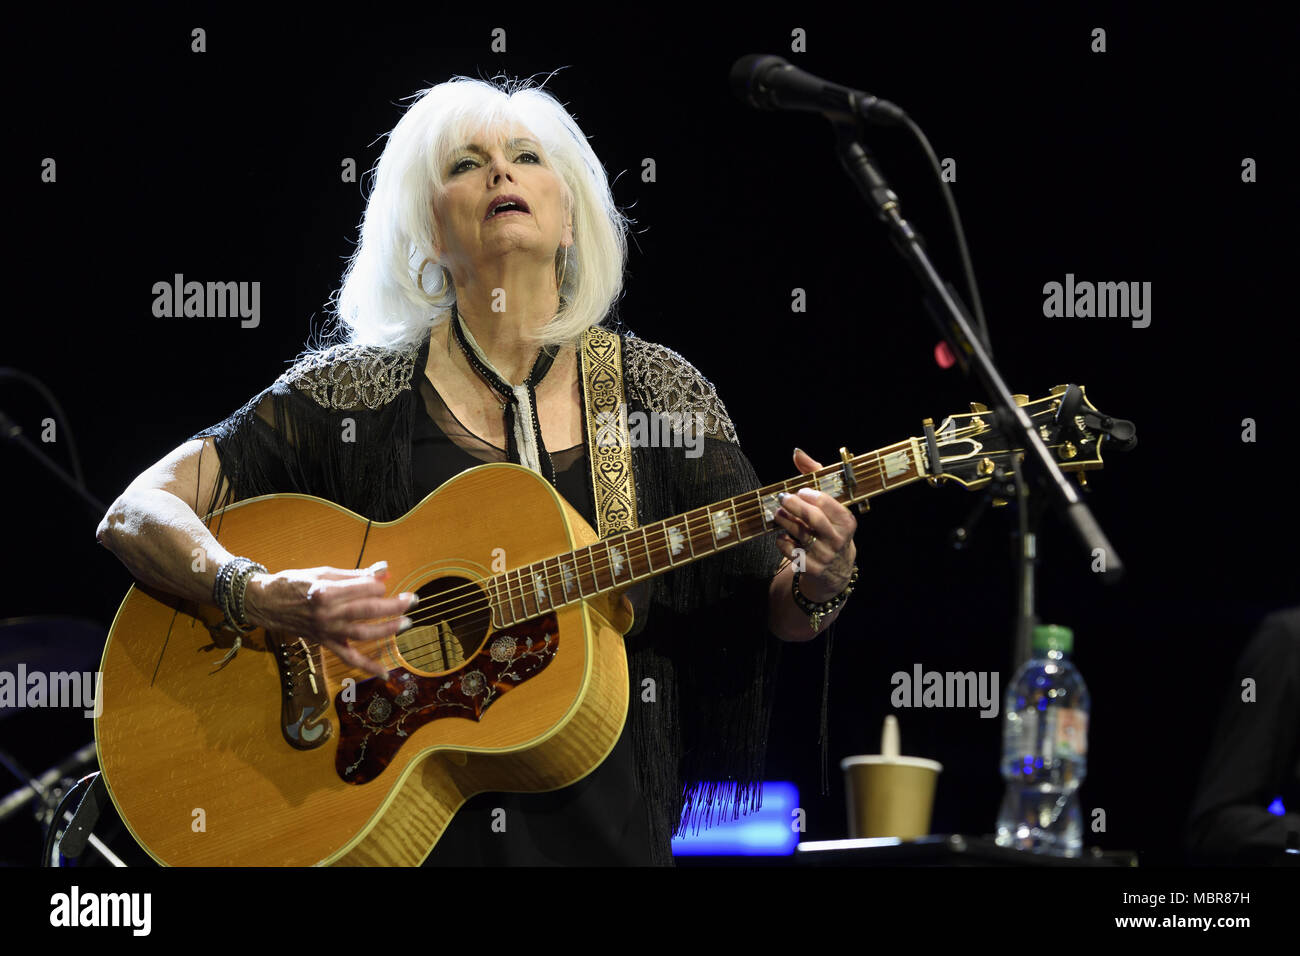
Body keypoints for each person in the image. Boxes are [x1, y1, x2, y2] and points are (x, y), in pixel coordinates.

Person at [95, 76, 859, 865]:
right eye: (467, 164)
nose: (501, 172)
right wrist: (255, 591)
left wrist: (823, 580)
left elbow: (773, 602)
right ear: (426, 233)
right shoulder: (353, 391)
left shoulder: (654, 392)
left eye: (526, 157)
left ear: (570, 221)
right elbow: (134, 510)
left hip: (609, 835)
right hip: (399, 832)